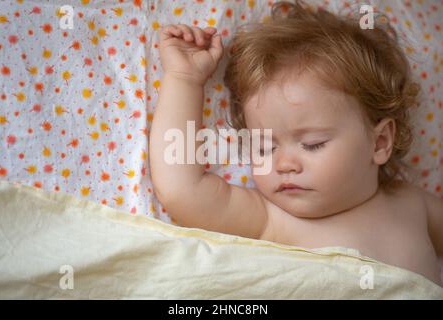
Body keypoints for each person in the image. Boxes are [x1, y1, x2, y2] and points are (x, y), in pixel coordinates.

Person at [149, 0, 443, 286]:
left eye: (312, 144)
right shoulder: (273, 220)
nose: (284, 164)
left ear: (379, 142)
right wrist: (184, 79)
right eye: (264, 147)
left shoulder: (413, 204)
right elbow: (181, 189)